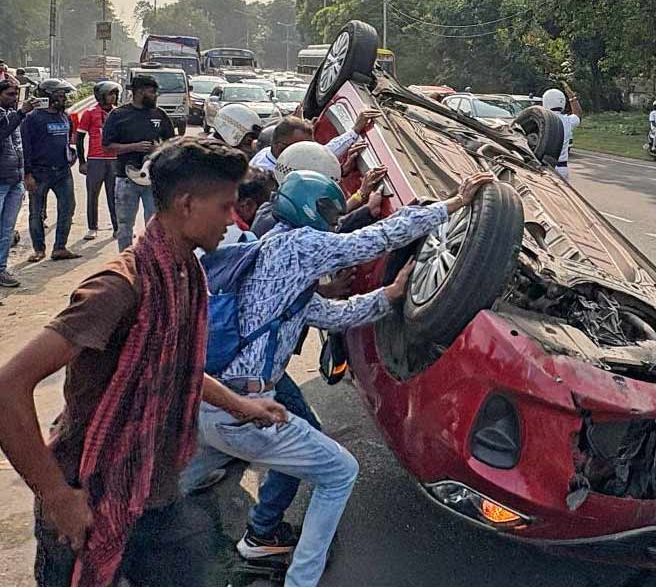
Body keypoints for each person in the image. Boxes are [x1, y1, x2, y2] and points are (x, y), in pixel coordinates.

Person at [185, 168, 494, 587]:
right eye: (328, 208)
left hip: (214, 401)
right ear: (308, 207)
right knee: (340, 471)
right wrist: (454, 204)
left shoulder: (274, 249)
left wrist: (389, 295)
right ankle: (301, 580)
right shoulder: (301, 244)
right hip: (243, 407)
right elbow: (374, 240)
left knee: (179, 483)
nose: (332, 217)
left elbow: (331, 314)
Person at [0, 137, 288, 587]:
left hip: (154, 487)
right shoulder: (118, 288)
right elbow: (8, 385)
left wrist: (241, 405)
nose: (233, 219)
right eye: (225, 206)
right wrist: (56, 495)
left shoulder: (184, 272)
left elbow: (176, 365)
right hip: (90, 491)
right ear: (187, 204)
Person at [102, 75, 175, 252]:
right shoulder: (118, 115)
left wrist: (159, 149)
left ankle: (154, 260)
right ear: (139, 92)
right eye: (152, 92)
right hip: (126, 180)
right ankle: (126, 262)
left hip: (154, 181)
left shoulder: (159, 114)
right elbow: (107, 146)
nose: (156, 96)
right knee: (125, 226)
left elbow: (173, 143)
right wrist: (133, 147)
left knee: (155, 225)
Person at [21, 78, 79, 262]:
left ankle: (60, 247)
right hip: (39, 172)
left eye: (64, 95)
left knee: (67, 208)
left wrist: (71, 155)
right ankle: (39, 249)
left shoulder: (65, 116)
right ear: (49, 96)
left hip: (62, 171)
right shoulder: (32, 119)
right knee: (36, 211)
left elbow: (67, 139)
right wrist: (27, 174)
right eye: (60, 95)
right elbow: (25, 147)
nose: (64, 98)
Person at [252, 109, 381, 172]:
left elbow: (322, 153)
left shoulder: (277, 156)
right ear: (280, 147)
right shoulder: (268, 171)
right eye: (303, 148)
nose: (309, 153)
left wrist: (354, 131)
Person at [0, 78, 33, 287]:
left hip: (14, 180)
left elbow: (21, 148)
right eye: (9, 94)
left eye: (15, 94)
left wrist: (24, 175)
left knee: (7, 229)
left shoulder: (12, 116)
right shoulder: (13, 117)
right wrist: (21, 113)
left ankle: (1, 269)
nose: (14, 98)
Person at [77, 81, 120, 241]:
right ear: (101, 96)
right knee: (92, 194)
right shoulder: (89, 113)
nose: (113, 97)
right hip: (95, 159)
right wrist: (82, 161)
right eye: (110, 94)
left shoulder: (117, 113)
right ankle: (92, 227)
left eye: (115, 93)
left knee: (114, 195)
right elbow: (80, 138)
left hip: (114, 159)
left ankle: (117, 228)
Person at [541, 82, 582, 179]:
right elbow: (578, 114)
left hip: (546, 167)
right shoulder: (568, 120)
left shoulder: (542, 120)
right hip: (562, 168)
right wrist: (571, 96)